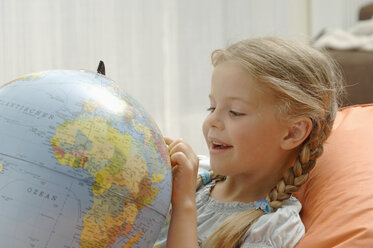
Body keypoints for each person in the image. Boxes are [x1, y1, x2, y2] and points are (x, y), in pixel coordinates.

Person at [154, 37, 344, 248]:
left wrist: (184, 205)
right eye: (212, 107)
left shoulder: (272, 229)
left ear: (293, 132)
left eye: (235, 112)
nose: (212, 121)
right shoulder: (197, 177)